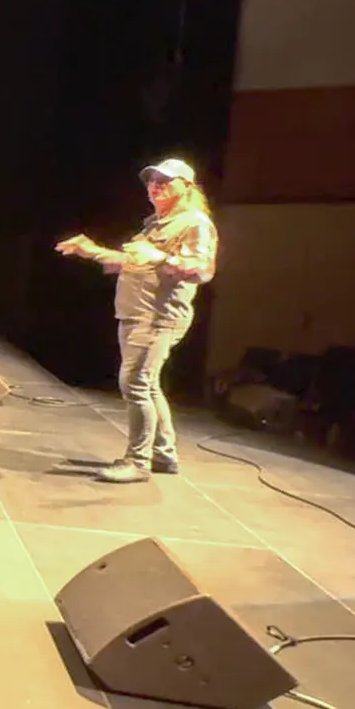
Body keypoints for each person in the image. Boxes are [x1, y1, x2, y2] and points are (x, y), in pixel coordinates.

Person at [57, 157, 218, 484]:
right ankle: (163, 454)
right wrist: (93, 251)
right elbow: (134, 262)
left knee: (135, 382)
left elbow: (203, 269)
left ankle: (138, 461)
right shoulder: (156, 223)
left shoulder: (194, 223)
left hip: (158, 317)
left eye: (165, 181)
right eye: (152, 181)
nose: (156, 186)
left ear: (186, 187)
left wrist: (161, 256)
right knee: (147, 383)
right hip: (136, 312)